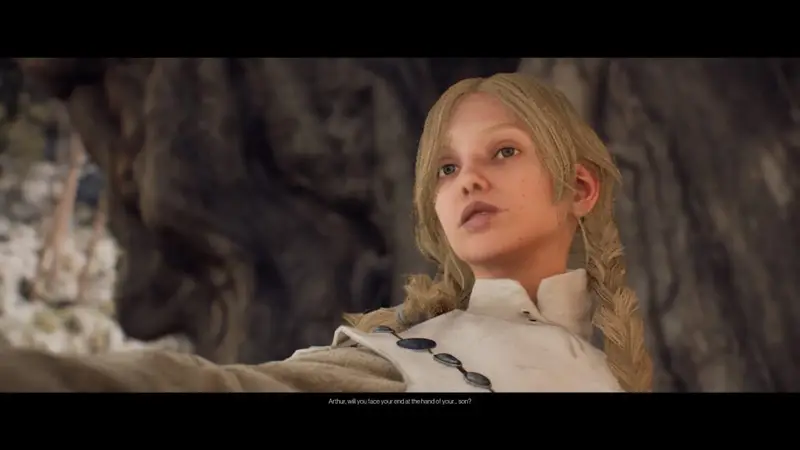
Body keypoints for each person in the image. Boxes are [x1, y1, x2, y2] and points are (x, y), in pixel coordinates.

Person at [0, 73, 653, 393]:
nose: (469, 181)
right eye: (447, 169)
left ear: (580, 188)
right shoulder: (418, 360)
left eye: (503, 151)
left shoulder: (606, 372)